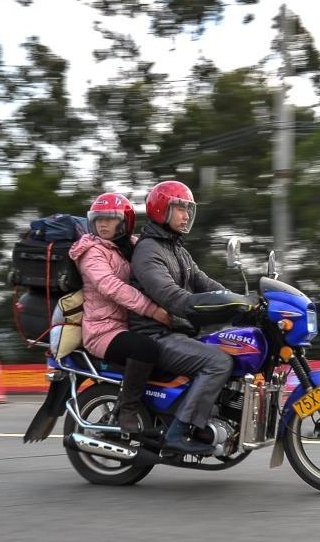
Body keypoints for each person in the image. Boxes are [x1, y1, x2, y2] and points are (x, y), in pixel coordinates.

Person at [128, 180, 238, 455]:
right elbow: (171, 296)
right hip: (155, 334)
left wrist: (240, 301)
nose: (186, 215)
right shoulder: (148, 250)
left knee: (231, 349)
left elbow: (205, 283)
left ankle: (209, 422)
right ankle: (177, 433)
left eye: (188, 209)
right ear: (161, 210)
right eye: (180, 208)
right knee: (218, 362)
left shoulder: (177, 250)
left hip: (176, 331)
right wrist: (208, 307)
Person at [68, 192, 171, 434]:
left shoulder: (131, 246)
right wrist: (152, 310)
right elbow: (110, 286)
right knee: (145, 349)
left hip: (129, 324)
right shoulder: (92, 251)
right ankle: (128, 408)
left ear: (125, 222)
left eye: (110, 218)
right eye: (98, 219)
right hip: (103, 330)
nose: (102, 224)